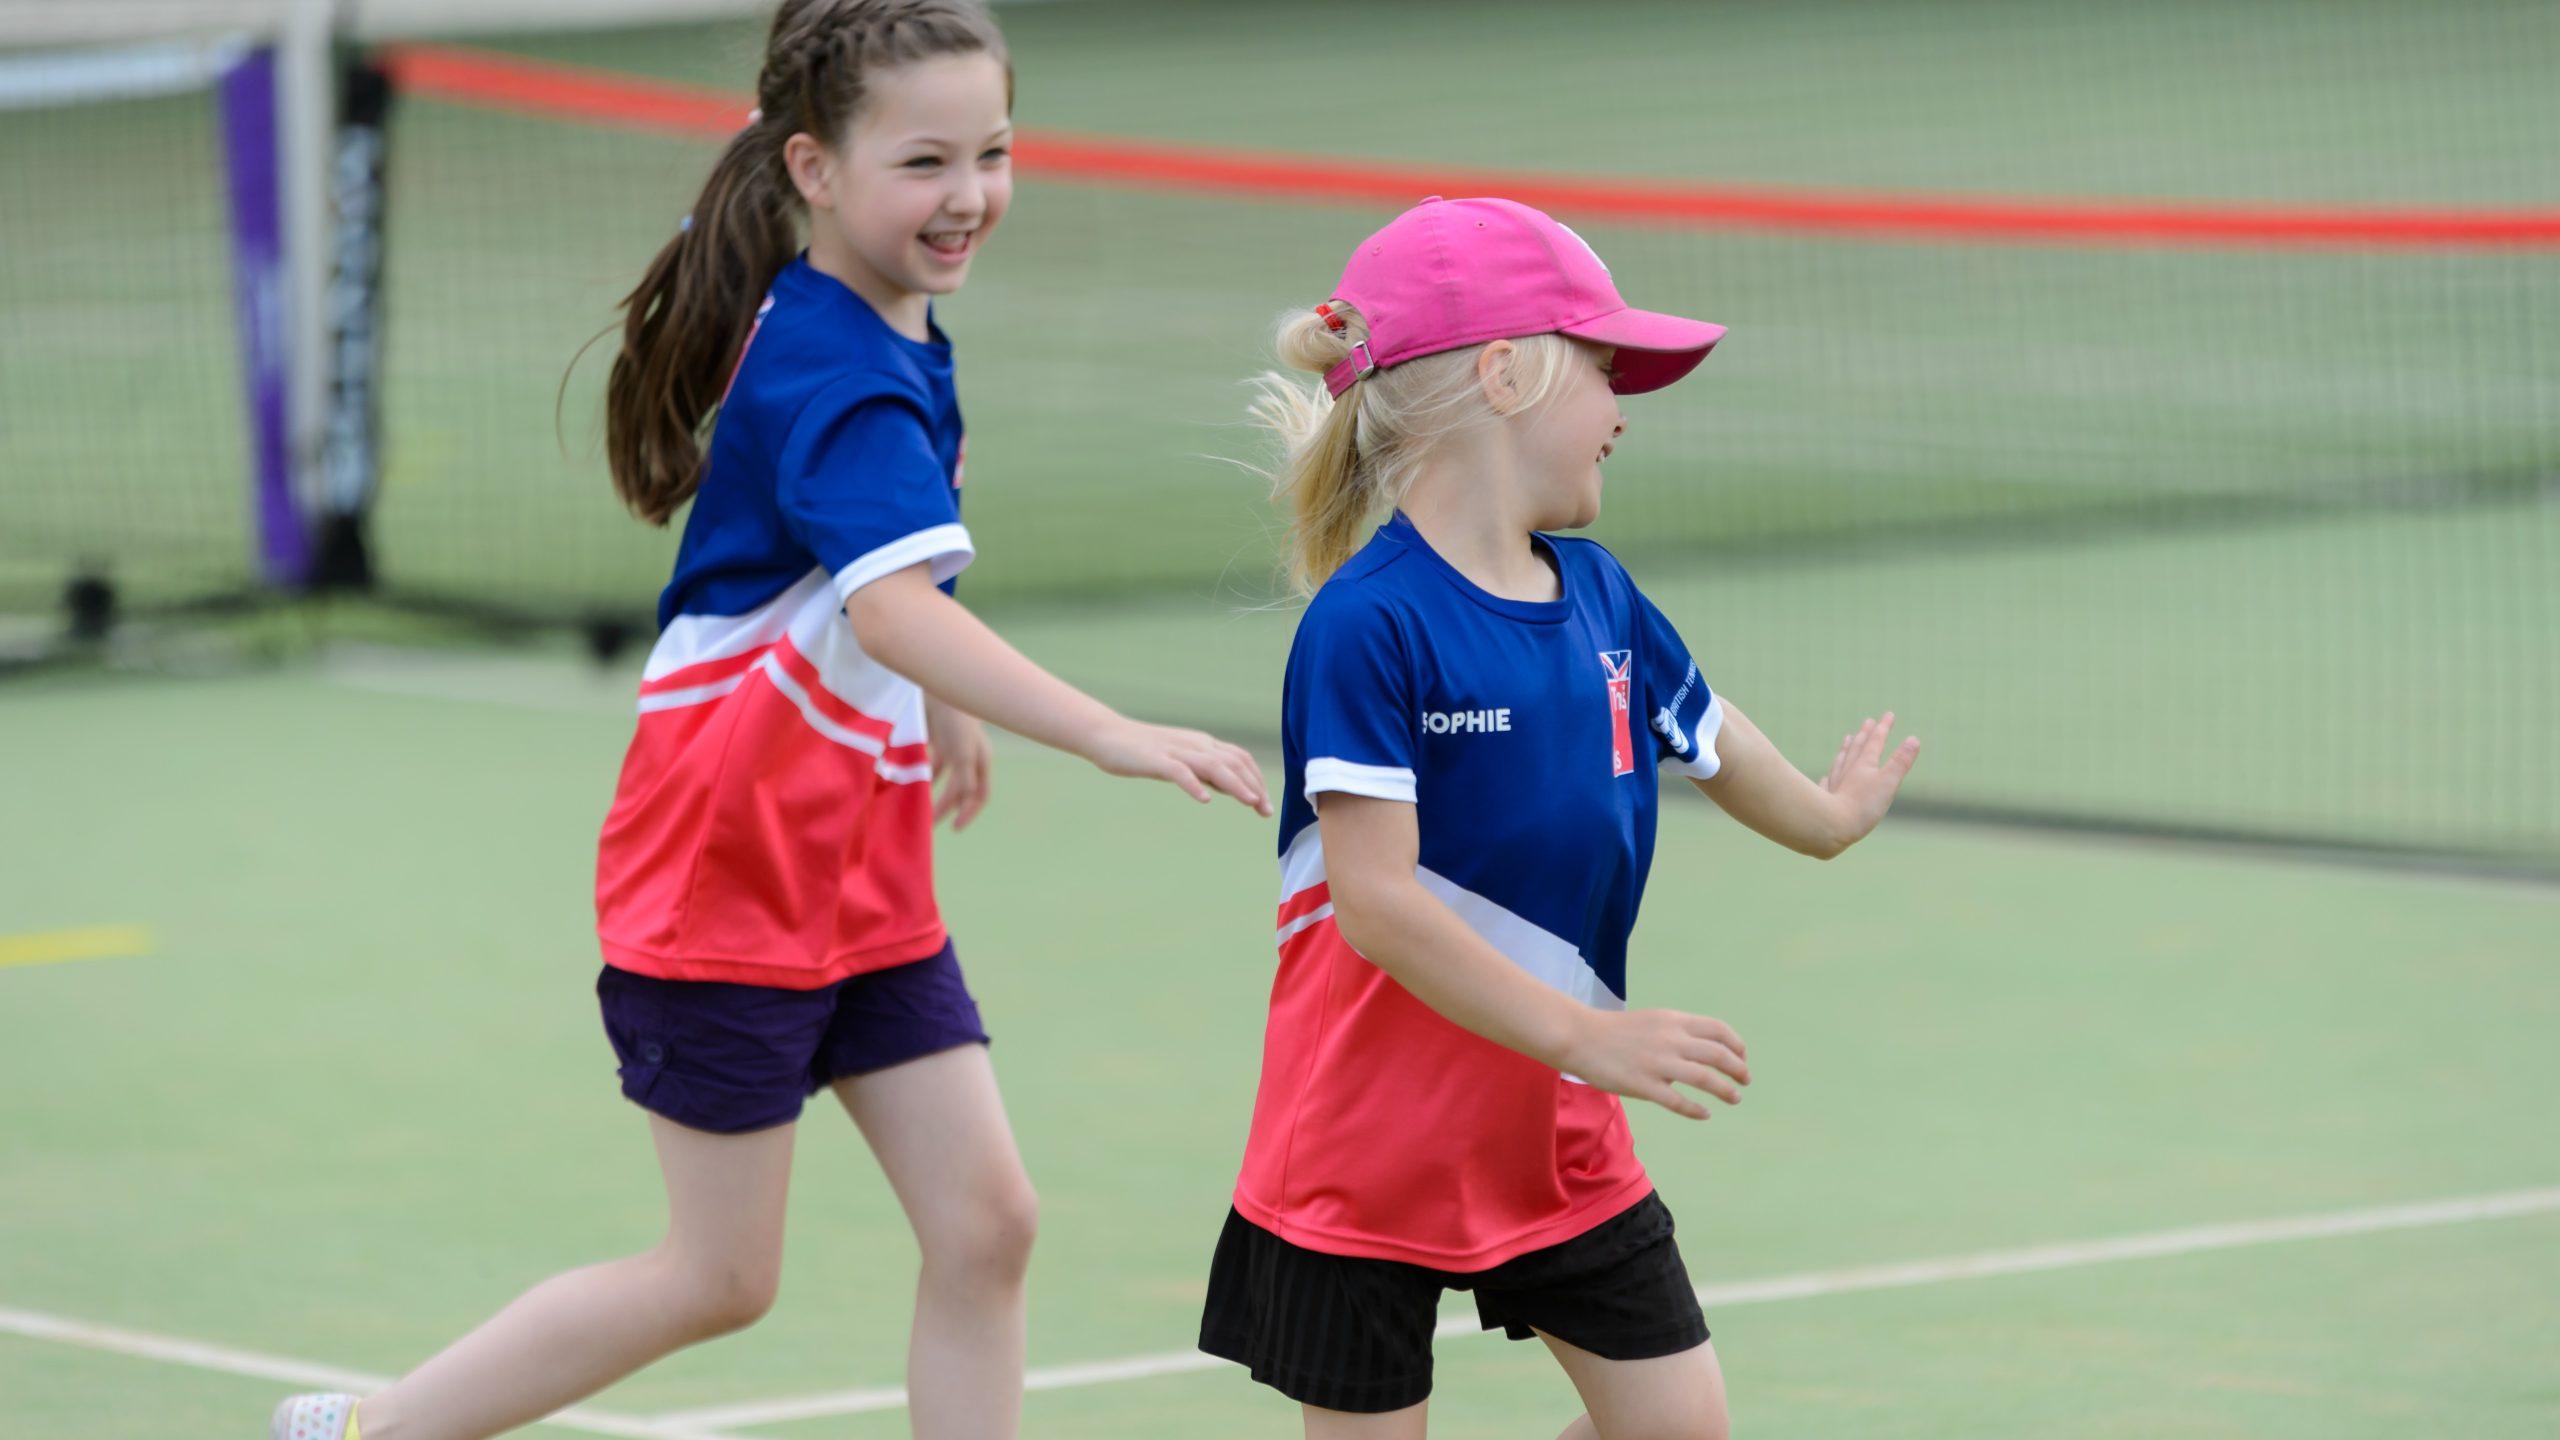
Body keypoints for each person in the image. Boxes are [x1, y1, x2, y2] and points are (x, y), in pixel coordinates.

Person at [272, 5, 1267, 1438]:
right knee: (719, 1276)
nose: (969, 193)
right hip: (728, 869)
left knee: (986, 1224)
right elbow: (890, 608)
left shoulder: (889, 329)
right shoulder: (836, 366)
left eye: (991, 151)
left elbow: (888, 571)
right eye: (925, 161)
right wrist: (1105, 728)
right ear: (813, 164)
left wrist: (937, 708)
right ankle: (368, 1434)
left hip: (854, 869)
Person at [1197, 196, 1919, 1439]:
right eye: (1603, 371)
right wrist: (1587, 1039)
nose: (1623, 409)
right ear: (1503, 374)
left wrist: (1827, 819)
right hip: (1368, 1149)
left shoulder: (1598, 594)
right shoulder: (1368, 627)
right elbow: (1374, 904)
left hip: (1554, 1133)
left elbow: (1711, 732)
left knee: (1679, 1426)